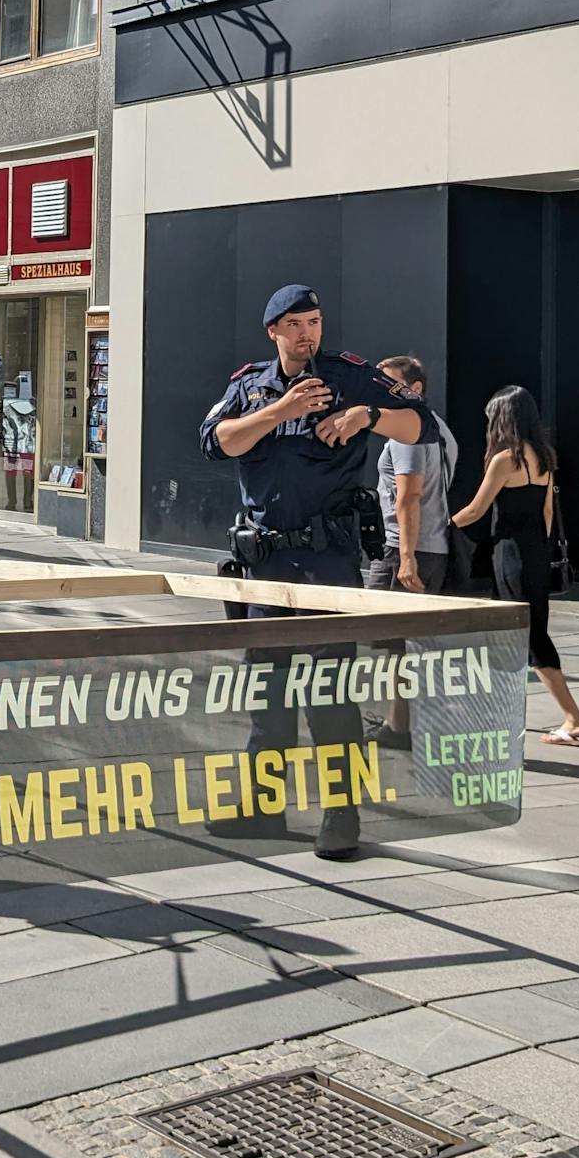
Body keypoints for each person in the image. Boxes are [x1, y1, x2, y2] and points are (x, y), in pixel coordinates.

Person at [202, 285, 437, 860]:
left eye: (315, 321)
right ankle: (262, 808)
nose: (308, 332)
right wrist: (278, 412)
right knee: (269, 693)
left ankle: (342, 815)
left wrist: (369, 415)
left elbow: (423, 426)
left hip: (328, 560)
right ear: (273, 332)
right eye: (295, 324)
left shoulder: (351, 375)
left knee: (330, 695)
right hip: (266, 564)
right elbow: (214, 441)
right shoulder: (248, 385)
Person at [452, 385, 579, 747]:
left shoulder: (504, 460)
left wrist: (441, 525)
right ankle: (495, 710)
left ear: (502, 419)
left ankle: (574, 718)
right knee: (515, 633)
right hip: (535, 553)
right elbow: (546, 512)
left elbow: (477, 509)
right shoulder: (543, 455)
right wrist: (539, 552)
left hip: (510, 553)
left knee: (527, 635)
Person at [363, 354, 459, 750]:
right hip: (430, 546)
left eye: (389, 384)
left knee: (383, 640)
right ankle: (398, 723)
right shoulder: (440, 429)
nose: (381, 392)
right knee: (408, 644)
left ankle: (399, 725)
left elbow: (409, 496)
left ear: (414, 389)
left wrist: (404, 556)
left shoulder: (408, 433)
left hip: (405, 548)